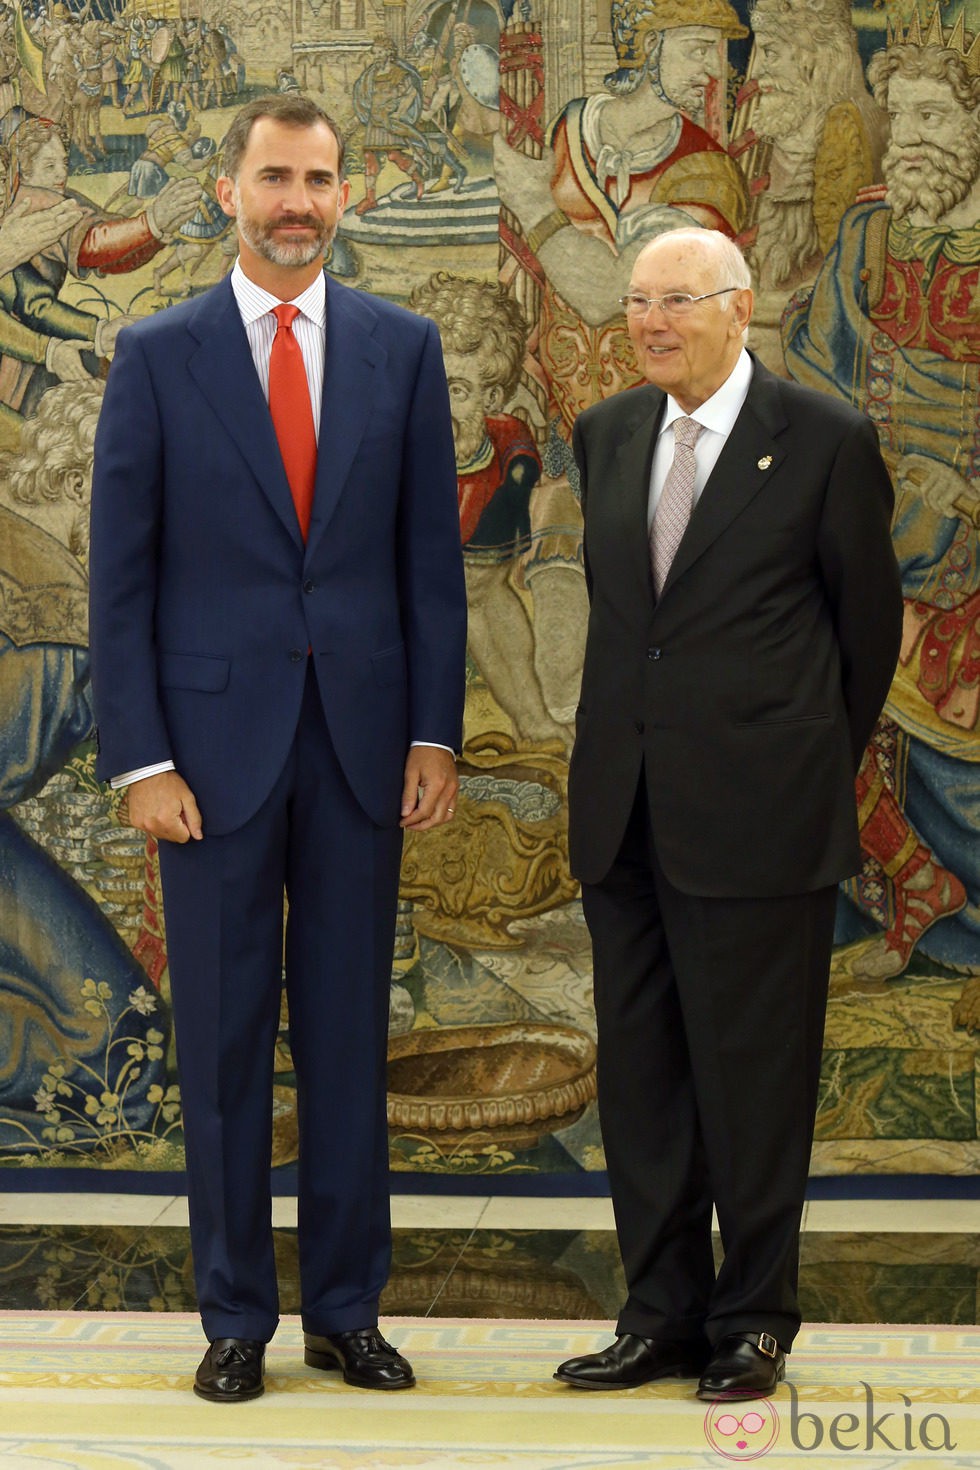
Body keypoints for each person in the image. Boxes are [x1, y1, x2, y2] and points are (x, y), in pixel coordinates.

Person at [88, 95, 466, 1403]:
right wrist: (142, 759)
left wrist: (433, 731)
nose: (297, 199)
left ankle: (346, 1310)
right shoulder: (157, 352)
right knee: (229, 1042)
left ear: (344, 196)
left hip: (365, 750)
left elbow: (431, 563)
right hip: (206, 760)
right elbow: (118, 578)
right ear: (231, 189)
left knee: (353, 1040)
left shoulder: (402, 350)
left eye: (318, 178)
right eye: (275, 177)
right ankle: (237, 1312)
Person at [554, 228, 902, 1401]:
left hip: (759, 819)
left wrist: (790, 762)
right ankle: (659, 1314)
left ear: (736, 307)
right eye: (636, 302)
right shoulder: (602, 437)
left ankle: (751, 1319)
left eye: (675, 302)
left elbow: (864, 643)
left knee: (752, 1082)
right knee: (642, 1082)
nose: (648, 322)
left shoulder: (822, 442)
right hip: (624, 816)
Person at [782, 37, 980, 983]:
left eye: (934, 117)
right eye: (898, 117)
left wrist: (963, 491)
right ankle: (908, 884)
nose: (908, 141)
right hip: (880, 515)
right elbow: (818, 365)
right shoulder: (869, 234)